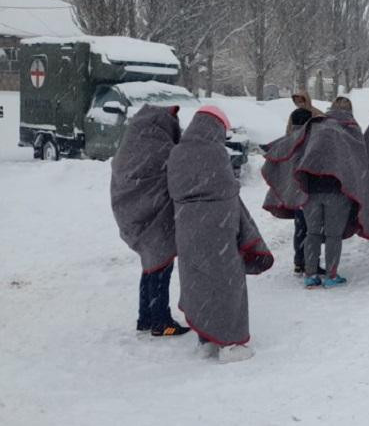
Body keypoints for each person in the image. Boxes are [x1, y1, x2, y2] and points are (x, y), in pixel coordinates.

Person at [167, 106, 273, 363]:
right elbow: (227, 190)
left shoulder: (177, 152)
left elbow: (173, 188)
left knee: (197, 282)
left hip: (187, 226)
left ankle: (205, 339)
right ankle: (230, 344)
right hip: (218, 227)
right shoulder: (215, 152)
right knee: (227, 284)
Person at [262, 98, 369, 288]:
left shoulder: (316, 126)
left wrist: (272, 151)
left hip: (311, 191)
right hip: (338, 192)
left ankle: (310, 275)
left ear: (331, 109)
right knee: (333, 235)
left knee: (312, 233)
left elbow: (294, 144)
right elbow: (358, 164)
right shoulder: (351, 130)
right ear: (350, 111)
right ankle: (331, 275)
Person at [110, 104, 189, 337]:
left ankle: (145, 317)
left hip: (134, 212)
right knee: (161, 264)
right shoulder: (158, 146)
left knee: (150, 264)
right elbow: (175, 167)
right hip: (152, 214)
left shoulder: (136, 139)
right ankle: (160, 321)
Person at [286, 108, 315, 275]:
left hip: (295, 192)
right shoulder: (309, 139)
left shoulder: (290, 139)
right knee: (311, 229)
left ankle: (299, 260)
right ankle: (309, 261)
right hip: (309, 191)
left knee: (299, 228)